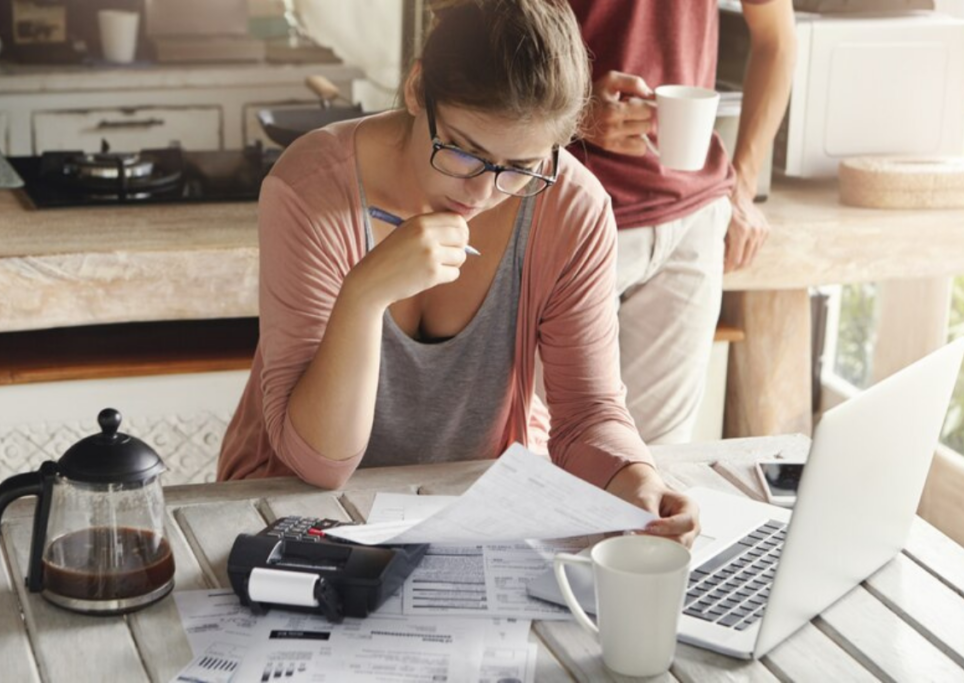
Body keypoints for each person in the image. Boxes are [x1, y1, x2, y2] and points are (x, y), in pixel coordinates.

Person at [218, 0, 699, 546]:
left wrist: (638, 483)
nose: (482, 192)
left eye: (520, 168)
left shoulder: (570, 208)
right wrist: (365, 294)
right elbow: (319, 462)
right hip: (289, 509)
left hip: (474, 513)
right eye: (464, 151)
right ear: (418, 89)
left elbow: (587, 412)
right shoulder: (309, 188)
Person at [566, 0, 796, 444]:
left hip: (691, 224)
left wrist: (742, 187)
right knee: (553, 455)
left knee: (660, 474)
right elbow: (476, 39)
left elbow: (777, 38)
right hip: (568, 214)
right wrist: (571, 110)